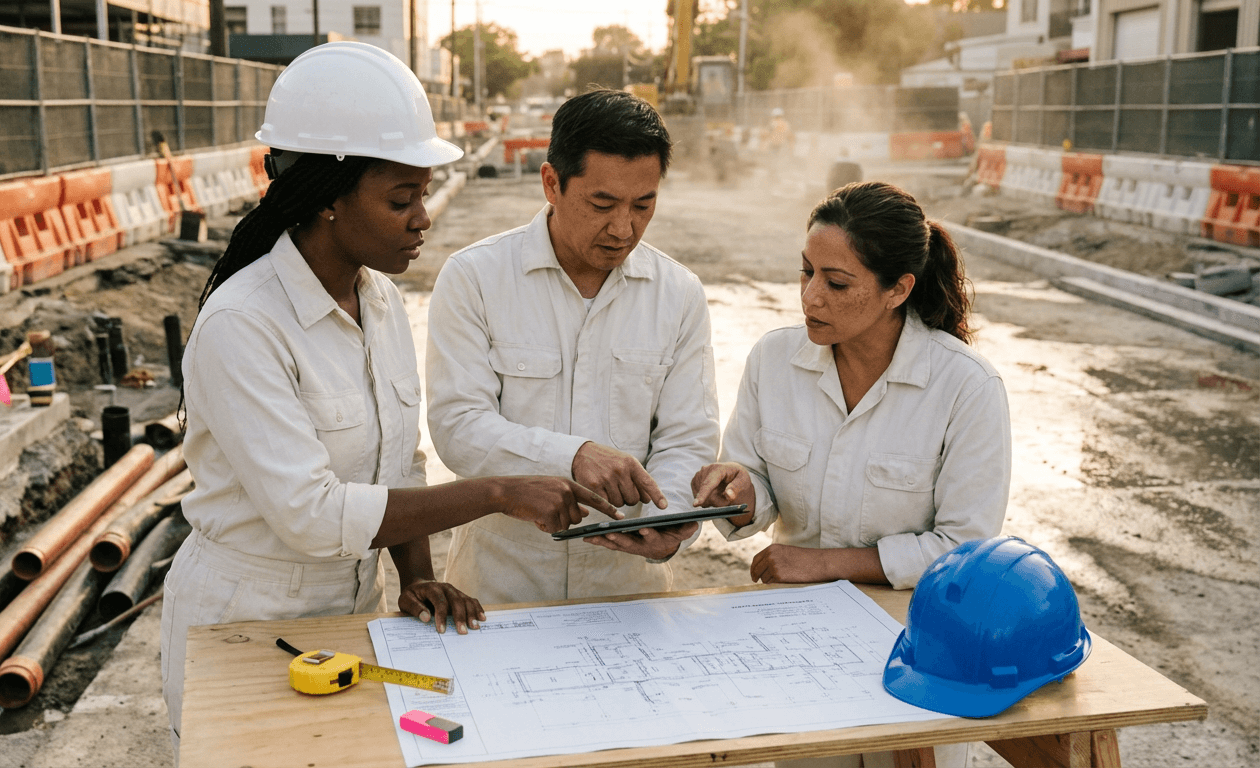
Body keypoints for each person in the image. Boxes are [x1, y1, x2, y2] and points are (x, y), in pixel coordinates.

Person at [161, 43, 615, 749]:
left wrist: (415, 576)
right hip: (243, 620)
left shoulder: (378, 302)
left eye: (423, 194)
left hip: (348, 611)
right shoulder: (242, 325)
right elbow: (312, 515)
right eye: (402, 199)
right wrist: (497, 493)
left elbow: (399, 462)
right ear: (328, 201)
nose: (423, 218)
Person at [692, 182, 1009, 766]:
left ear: (898, 289)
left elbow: (964, 547)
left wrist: (823, 563)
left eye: (836, 284)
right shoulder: (773, 361)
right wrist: (737, 494)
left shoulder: (966, 387)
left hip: (919, 654)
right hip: (796, 646)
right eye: (805, 272)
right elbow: (755, 482)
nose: (811, 297)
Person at [425, 89, 721, 604]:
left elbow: (688, 436)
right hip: (498, 591)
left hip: (628, 593)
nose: (623, 227)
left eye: (643, 205)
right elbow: (457, 427)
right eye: (602, 204)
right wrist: (573, 456)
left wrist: (667, 519)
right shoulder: (475, 278)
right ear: (551, 183)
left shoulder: (679, 294)